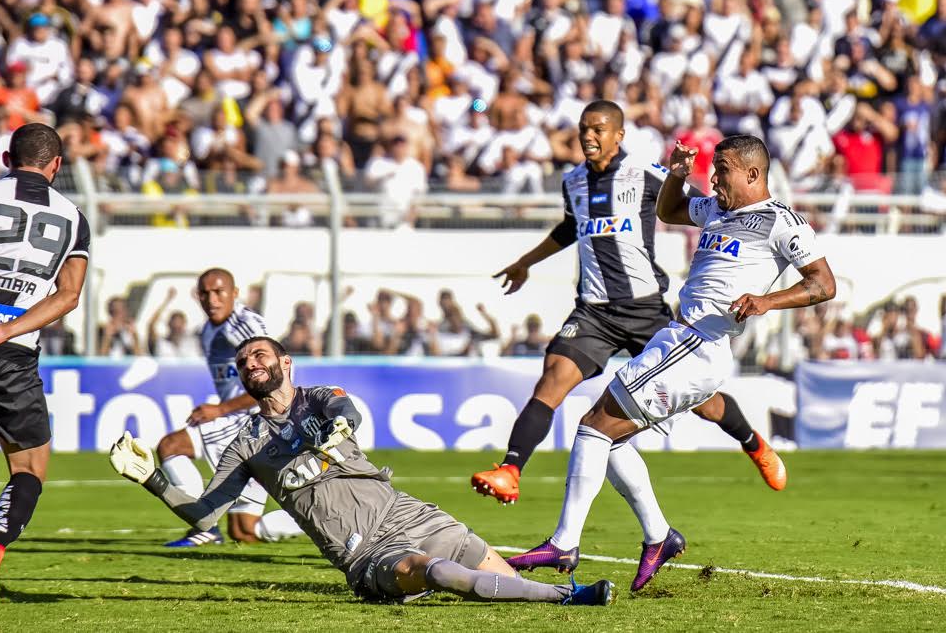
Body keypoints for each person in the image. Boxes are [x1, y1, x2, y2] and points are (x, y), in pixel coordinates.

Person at [509, 135, 836, 591]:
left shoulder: (782, 223)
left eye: (722, 169)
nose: (714, 177)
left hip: (699, 344)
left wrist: (767, 300)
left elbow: (823, 285)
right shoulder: (717, 210)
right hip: (679, 339)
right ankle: (659, 537)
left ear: (753, 174)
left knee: (592, 427)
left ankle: (565, 543)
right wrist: (678, 175)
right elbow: (670, 211)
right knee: (613, 438)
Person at [110, 336, 613, 607]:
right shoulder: (245, 447)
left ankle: (549, 581)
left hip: (412, 515)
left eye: (259, 354)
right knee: (435, 573)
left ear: (285, 362)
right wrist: (152, 479)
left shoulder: (320, 397)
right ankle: (569, 597)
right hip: (367, 552)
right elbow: (204, 516)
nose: (250, 364)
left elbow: (349, 414)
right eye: (243, 363)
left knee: (492, 584)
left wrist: (336, 431)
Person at [473, 101, 785, 505]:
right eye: (584, 129)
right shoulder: (573, 182)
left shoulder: (645, 173)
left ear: (618, 135)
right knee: (552, 379)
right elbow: (570, 228)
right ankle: (510, 470)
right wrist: (524, 263)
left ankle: (753, 442)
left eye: (598, 129)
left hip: (644, 309)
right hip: (594, 311)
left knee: (702, 402)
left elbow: (708, 208)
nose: (588, 136)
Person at [0, 123, 90, 612]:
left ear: (8, 158)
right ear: (56, 166)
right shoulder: (73, 217)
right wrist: (6, 331)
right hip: (14, 348)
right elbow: (68, 295)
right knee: (30, 465)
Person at [153, 268, 302, 546]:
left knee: (171, 446)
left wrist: (220, 410)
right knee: (245, 531)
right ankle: (327, 517)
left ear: (234, 294)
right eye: (205, 293)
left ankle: (203, 527)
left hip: (254, 418)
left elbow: (278, 380)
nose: (212, 299)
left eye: (219, 292)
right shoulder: (209, 331)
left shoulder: (246, 326)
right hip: (243, 419)